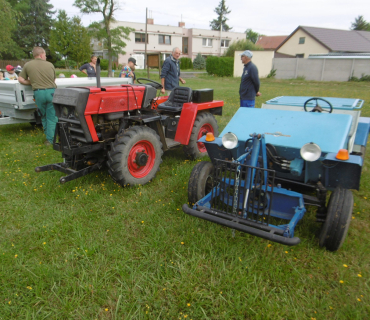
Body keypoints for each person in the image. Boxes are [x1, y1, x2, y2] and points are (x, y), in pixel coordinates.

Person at [18, 47, 57, 146]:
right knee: (52, 116)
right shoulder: (50, 64)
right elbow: (53, 79)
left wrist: (32, 82)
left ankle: (48, 138)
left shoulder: (28, 65)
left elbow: (21, 79)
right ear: (41, 55)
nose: (45, 57)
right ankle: (51, 139)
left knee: (43, 115)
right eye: (45, 55)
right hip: (51, 92)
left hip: (38, 93)